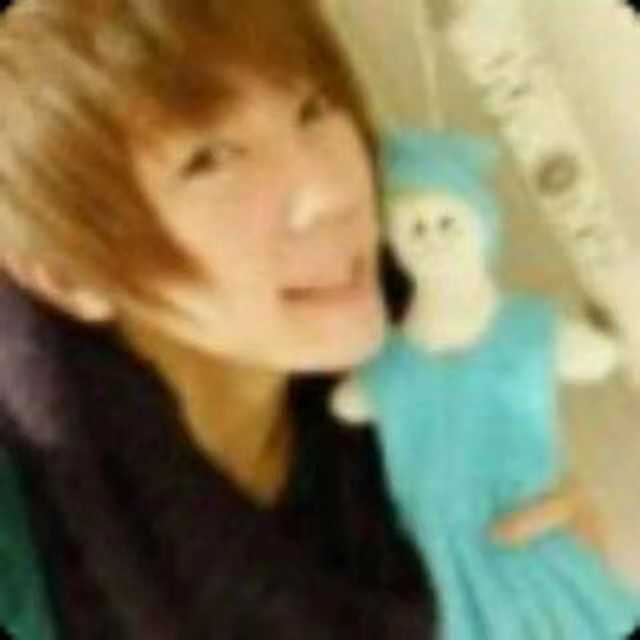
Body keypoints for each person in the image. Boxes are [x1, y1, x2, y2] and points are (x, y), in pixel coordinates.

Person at [0, 1, 620, 638]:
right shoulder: (26, 544)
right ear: (69, 276)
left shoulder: (430, 384)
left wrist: (549, 595)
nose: (330, 193)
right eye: (208, 158)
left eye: (314, 108)